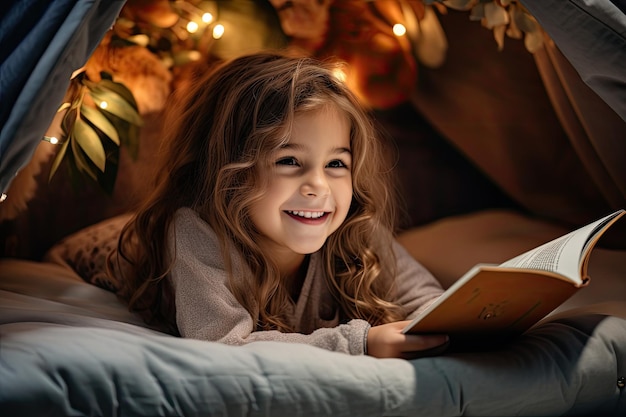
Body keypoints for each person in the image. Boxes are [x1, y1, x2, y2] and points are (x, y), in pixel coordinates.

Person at [114, 52, 448, 359]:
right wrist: (361, 343)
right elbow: (224, 345)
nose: (318, 186)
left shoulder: (353, 226)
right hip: (102, 243)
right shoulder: (192, 232)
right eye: (289, 160)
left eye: (336, 164)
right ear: (228, 170)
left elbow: (428, 302)